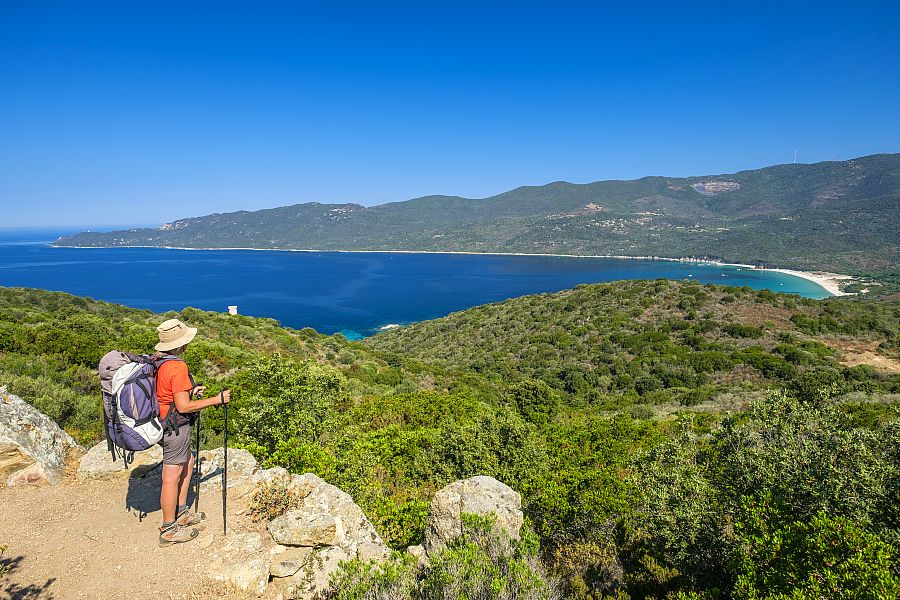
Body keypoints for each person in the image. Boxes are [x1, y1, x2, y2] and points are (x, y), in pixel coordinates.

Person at [153, 318, 231, 546]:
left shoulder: (160, 361)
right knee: (171, 475)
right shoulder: (177, 366)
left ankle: (182, 512)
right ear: (181, 343)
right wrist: (217, 400)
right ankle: (168, 529)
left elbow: (168, 393)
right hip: (175, 426)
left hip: (164, 421)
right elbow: (184, 406)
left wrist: (191, 390)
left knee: (188, 461)